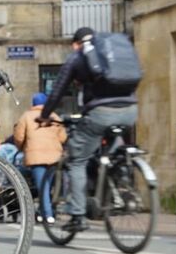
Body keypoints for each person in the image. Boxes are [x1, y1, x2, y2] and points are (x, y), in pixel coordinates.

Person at [38, 27, 140, 232]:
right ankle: (118, 184)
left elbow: (58, 90)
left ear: (76, 44)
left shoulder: (77, 57)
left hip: (100, 113)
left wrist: (45, 114)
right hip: (130, 110)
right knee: (110, 150)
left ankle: (78, 215)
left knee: (77, 159)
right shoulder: (114, 53)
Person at [14, 92, 67, 224]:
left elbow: (19, 136)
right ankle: (47, 211)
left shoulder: (26, 116)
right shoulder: (54, 116)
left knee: (42, 186)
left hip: (35, 156)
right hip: (54, 156)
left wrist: (22, 147)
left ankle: (47, 214)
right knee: (48, 186)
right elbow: (63, 137)